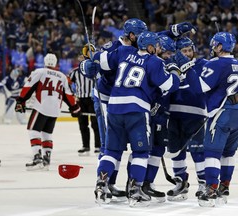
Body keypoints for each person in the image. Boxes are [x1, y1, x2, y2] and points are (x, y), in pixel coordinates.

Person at [81, 31, 181, 207]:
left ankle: (101, 185)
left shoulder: (124, 52)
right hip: (136, 109)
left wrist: (88, 59)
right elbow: (169, 85)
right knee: (141, 153)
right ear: (150, 47)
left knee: (111, 151)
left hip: (113, 108)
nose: (158, 49)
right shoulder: (154, 61)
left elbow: (100, 60)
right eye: (156, 46)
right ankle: (135, 191)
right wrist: (175, 72)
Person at [176, 32, 238, 207]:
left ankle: (211, 189)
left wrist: (187, 68)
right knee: (228, 153)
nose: (213, 48)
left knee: (212, 153)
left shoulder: (216, 63)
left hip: (223, 112)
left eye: (215, 45)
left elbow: (200, 87)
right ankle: (224, 187)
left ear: (220, 47)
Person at [15, 53, 81, 171]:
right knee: (47, 133)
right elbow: (68, 95)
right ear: (55, 63)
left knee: (33, 130)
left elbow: (28, 87)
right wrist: (74, 108)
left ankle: (37, 158)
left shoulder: (39, 72)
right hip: (55, 110)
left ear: (45, 62)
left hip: (41, 106)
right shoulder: (62, 76)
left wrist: (21, 101)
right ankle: (46, 160)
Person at [166, 37, 208, 201]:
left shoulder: (202, 64)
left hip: (195, 115)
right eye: (184, 51)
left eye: (190, 50)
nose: (188, 54)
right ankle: (180, 183)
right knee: (176, 151)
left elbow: (203, 87)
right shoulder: (171, 66)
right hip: (174, 115)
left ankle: (203, 183)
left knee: (198, 151)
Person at [142, 34, 176, 203]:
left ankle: (147, 182)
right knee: (142, 150)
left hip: (160, 114)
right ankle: (137, 183)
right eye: (167, 53)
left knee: (157, 149)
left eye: (171, 54)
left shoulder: (161, 64)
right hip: (147, 113)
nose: (169, 56)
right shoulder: (153, 63)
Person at [68, 44, 101, 156]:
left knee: (95, 124)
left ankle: (98, 146)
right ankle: (85, 146)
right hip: (80, 100)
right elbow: (67, 83)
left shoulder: (95, 69)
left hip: (92, 99)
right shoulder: (75, 72)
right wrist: (73, 95)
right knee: (83, 124)